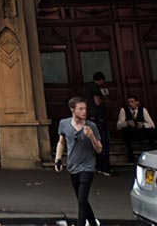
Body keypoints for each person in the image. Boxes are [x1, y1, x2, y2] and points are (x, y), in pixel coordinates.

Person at [56, 96, 104, 226]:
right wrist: (58, 159)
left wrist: (91, 136)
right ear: (73, 110)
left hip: (88, 166)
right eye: (81, 109)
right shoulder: (64, 124)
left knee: (82, 198)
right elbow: (61, 142)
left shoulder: (91, 126)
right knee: (81, 200)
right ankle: (93, 223)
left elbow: (99, 149)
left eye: (85, 108)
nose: (84, 111)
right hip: (73, 166)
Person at [82, 72, 114, 176]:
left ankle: (99, 166)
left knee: (97, 142)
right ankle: (104, 167)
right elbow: (97, 102)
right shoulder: (95, 88)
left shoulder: (87, 88)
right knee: (104, 142)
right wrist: (106, 100)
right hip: (98, 119)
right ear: (101, 80)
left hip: (91, 118)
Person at [116, 94, 155, 161]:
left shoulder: (143, 110)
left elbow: (152, 124)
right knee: (125, 132)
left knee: (152, 132)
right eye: (129, 102)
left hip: (141, 132)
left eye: (132, 102)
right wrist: (127, 123)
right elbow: (119, 125)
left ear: (137, 102)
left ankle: (151, 154)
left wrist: (143, 124)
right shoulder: (123, 110)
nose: (130, 104)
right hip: (130, 132)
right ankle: (131, 157)